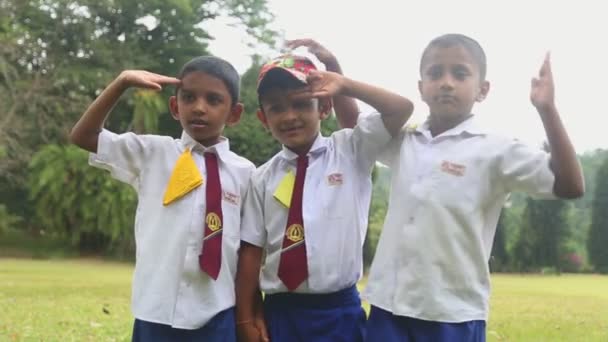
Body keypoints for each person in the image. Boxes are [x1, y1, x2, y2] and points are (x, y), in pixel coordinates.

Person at [364, 33, 585, 341]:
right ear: (421, 88)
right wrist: (337, 74)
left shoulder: (496, 150)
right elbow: (356, 132)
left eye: (460, 73)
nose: (446, 82)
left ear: (483, 90)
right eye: (435, 73)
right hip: (388, 308)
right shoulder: (405, 140)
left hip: (452, 314)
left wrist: (547, 109)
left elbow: (571, 185)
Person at [70, 56, 255, 341]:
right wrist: (120, 84)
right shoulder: (151, 153)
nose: (199, 108)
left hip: (217, 313)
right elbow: (84, 136)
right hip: (156, 312)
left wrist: (247, 318)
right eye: (189, 97)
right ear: (174, 106)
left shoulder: (246, 174)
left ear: (234, 113)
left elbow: (247, 251)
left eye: (214, 100)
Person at [235, 50, 414, 342]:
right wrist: (245, 318)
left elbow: (401, 109)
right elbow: (251, 251)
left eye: (301, 103)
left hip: (339, 312)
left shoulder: (351, 151)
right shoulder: (261, 177)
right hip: (281, 312)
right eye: (276, 108)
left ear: (324, 107)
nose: (289, 116)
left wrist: (344, 84)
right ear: (263, 119)